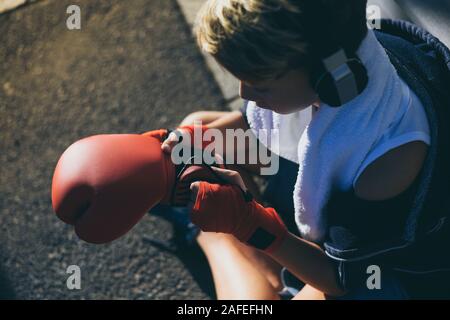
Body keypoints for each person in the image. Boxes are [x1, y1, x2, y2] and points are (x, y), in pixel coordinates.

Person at [152, 0, 440, 299]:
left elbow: (341, 277)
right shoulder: (346, 60)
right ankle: (273, 276)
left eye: (259, 86)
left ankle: (210, 236)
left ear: (326, 75)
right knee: (198, 130)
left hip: (381, 272)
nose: (244, 93)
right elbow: (259, 127)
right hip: (341, 217)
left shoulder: (388, 163)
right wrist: (186, 139)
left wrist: (247, 222)